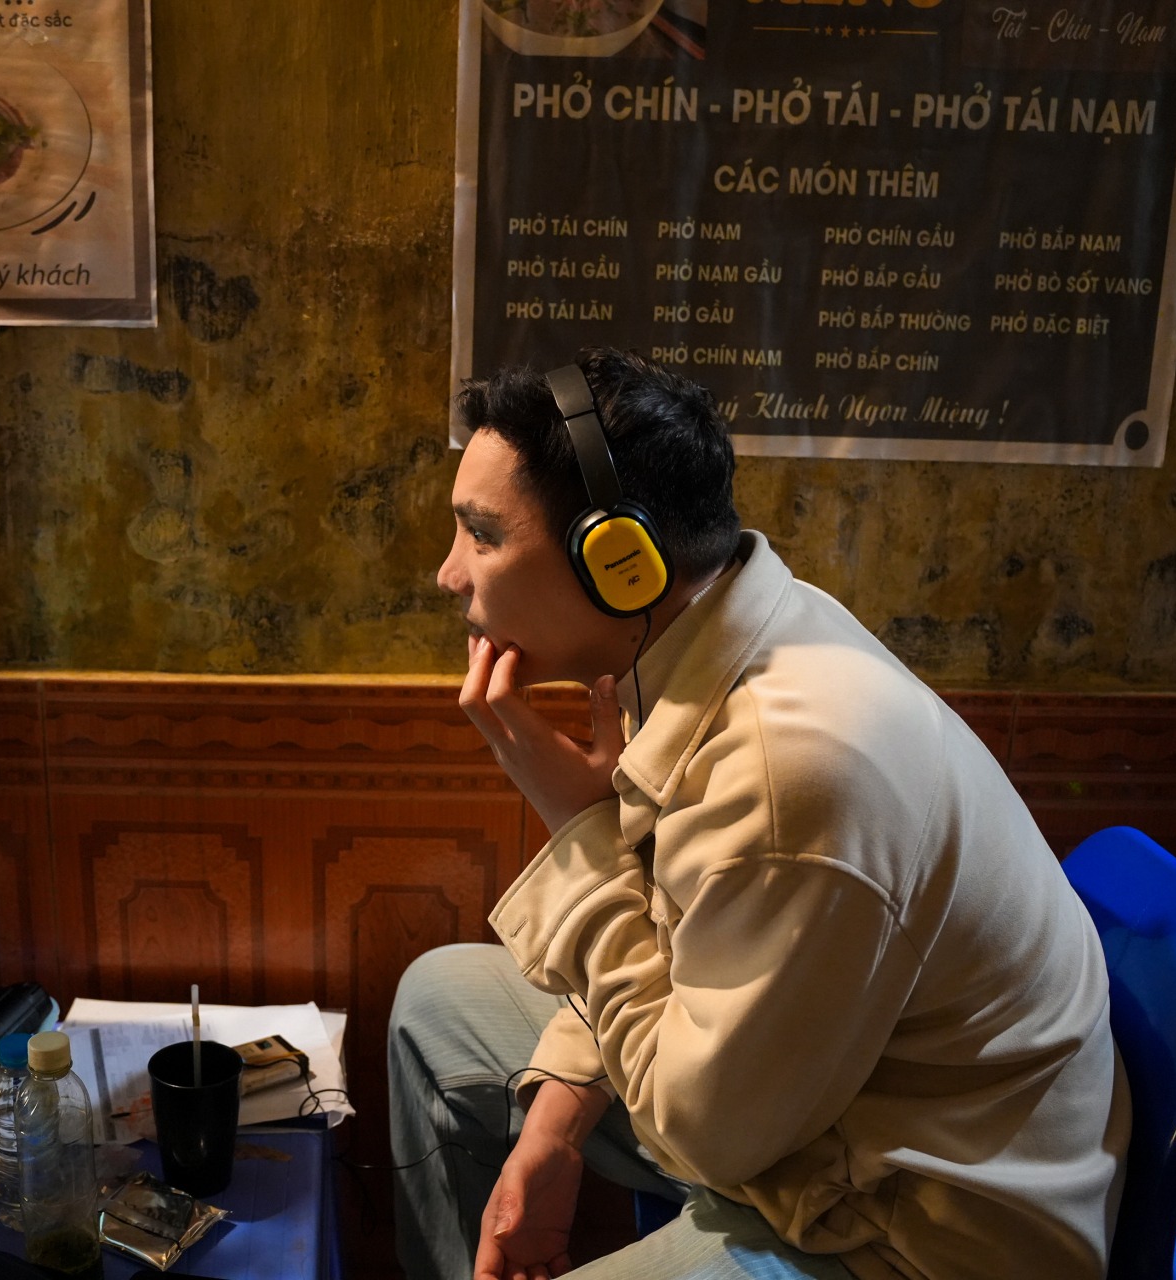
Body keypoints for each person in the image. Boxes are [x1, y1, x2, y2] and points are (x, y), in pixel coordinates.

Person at [388, 349, 1128, 1280]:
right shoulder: (707, 633)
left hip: (915, 1231)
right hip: (803, 1117)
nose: (449, 574)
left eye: (482, 535)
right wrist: (555, 1123)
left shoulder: (792, 775)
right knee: (437, 1006)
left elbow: (705, 1137)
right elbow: (671, 931)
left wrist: (583, 835)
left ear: (619, 564)